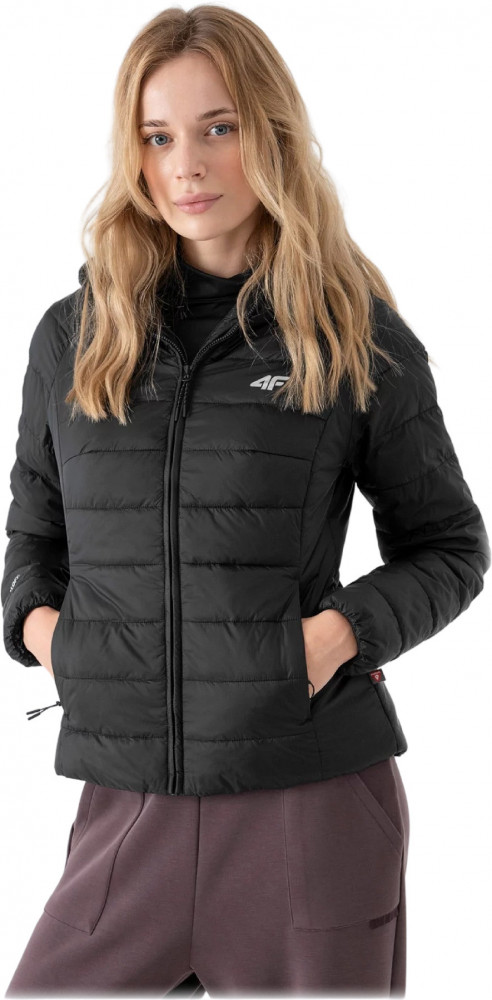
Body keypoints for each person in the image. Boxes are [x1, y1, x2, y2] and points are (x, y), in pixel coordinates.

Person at [1, 5, 490, 998]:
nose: (186, 166)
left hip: (309, 809)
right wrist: (50, 635)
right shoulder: (75, 337)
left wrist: (334, 638)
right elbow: (31, 542)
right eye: (157, 136)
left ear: (269, 133)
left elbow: (450, 545)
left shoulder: (350, 334)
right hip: (125, 810)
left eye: (217, 128)